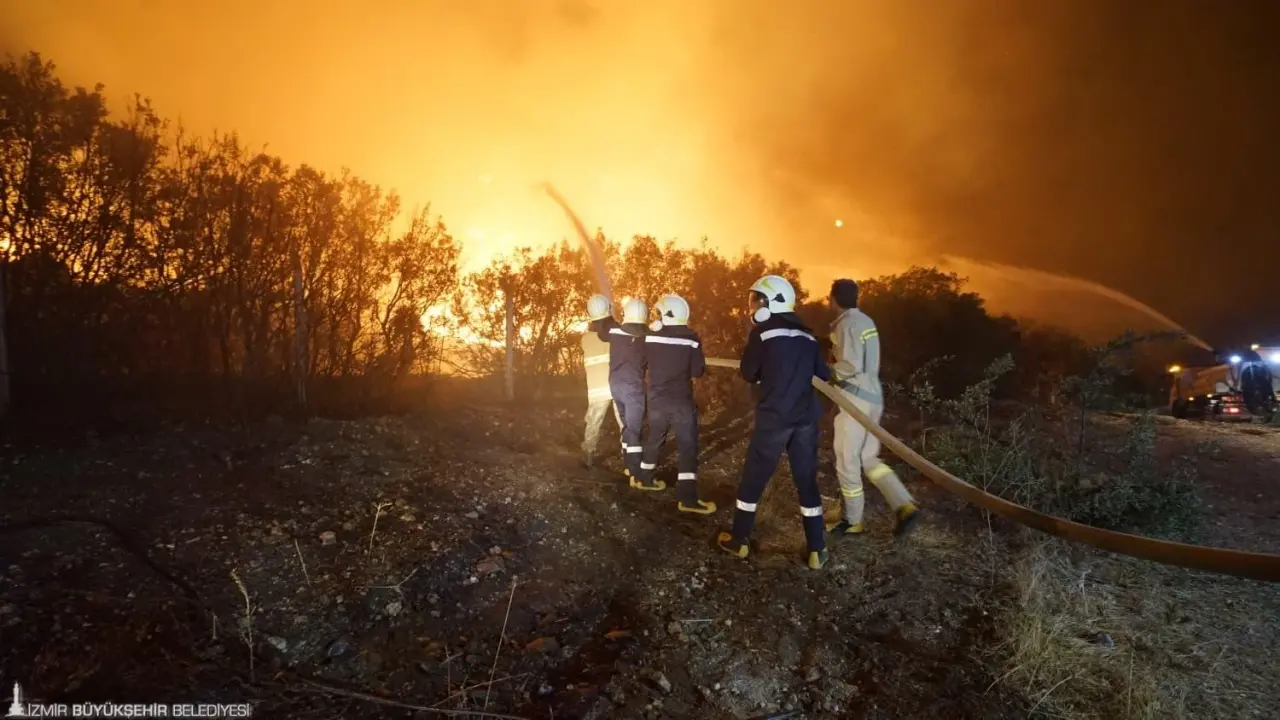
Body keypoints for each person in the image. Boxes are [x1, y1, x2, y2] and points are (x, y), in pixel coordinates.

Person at [718, 274, 832, 569]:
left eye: (756, 299)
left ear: (770, 302)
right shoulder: (808, 336)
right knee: (806, 481)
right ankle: (817, 549)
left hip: (774, 419)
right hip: (805, 419)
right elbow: (823, 374)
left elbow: (747, 372)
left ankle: (739, 540)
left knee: (754, 479)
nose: (752, 305)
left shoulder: (763, 332)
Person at [825, 278, 921, 536]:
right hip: (873, 397)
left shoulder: (847, 324)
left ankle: (852, 520)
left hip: (854, 399)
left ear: (833, 299)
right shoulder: (866, 321)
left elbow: (849, 366)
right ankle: (904, 505)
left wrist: (825, 370)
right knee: (868, 458)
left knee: (847, 460)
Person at [636, 294, 716, 511]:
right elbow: (697, 371)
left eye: (659, 313)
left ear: (665, 315)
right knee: (687, 447)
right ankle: (687, 498)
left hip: (656, 400)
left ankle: (645, 478)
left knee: (655, 438)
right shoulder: (691, 339)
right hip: (681, 401)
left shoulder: (650, 338)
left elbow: (641, 362)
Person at [596, 296, 649, 479]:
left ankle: (628, 464)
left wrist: (606, 310)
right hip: (633, 388)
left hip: (616, 386)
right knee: (633, 429)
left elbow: (602, 330)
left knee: (627, 426)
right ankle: (636, 473)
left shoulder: (614, 333)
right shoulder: (646, 338)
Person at [581, 294, 622, 468]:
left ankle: (588, 455)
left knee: (593, 423)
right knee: (625, 423)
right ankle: (630, 458)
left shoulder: (585, 338)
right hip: (618, 383)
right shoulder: (617, 332)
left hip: (597, 388)